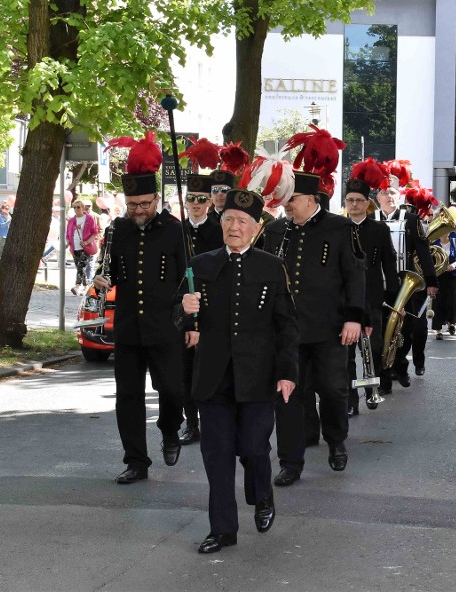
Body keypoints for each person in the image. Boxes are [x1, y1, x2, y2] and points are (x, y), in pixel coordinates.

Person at [179, 186, 299, 554]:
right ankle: (223, 529)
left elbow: (286, 325)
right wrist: (184, 310)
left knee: (253, 447)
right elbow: (179, 322)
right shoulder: (200, 265)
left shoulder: (270, 266)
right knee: (216, 457)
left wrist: (287, 372)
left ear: (255, 228)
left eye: (242, 221)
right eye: (228, 218)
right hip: (213, 378)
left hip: (258, 377)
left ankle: (262, 496)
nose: (233, 226)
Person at [260, 126, 365, 486]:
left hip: (330, 327)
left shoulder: (338, 228)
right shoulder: (277, 230)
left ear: (311, 199)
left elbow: (354, 275)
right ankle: (291, 460)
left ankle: (336, 440)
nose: (286, 204)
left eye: (292, 199)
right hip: (286, 330)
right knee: (289, 392)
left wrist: (354, 317)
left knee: (333, 389)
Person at [94, 131, 187, 484]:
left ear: (157, 199)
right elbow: (110, 273)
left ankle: (169, 429)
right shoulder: (117, 230)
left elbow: (185, 281)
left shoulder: (175, 231)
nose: (139, 211)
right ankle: (136, 461)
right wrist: (103, 282)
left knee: (173, 389)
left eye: (145, 204)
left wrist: (190, 319)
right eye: (133, 205)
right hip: (130, 327)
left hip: (166, 326)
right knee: (128, 397)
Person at [343, 159, 399, 413]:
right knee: (346, 353)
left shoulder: (378, 229)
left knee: (374, 347)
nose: (354, 205)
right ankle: (350, 400)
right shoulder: (337, 228)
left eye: (359, 200)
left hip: (373, 296)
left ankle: (371, 389)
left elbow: (389, 261)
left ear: (367, 204)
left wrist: (394, 294)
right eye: (350, 200)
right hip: (344, 299)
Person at [178, 174, 225, 446]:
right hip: (184, 307)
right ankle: (191, 423)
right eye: (191, 199)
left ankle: (212, 421)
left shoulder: (219, 229)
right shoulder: (177, 230)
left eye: (200, 199)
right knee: (186, 370)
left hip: (211, 307)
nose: (195, 204)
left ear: (209, 202)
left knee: (211, 367)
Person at [392, 184, 440, 379]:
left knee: (418, 328)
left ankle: (419, 361)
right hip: (396, 281)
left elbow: (425, 253)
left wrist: (431, 281)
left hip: (415, 284)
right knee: (398, 327)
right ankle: (395, 365)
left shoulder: (416, 223)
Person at [432, 230, 456, 340]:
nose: (444, 232)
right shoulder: (434, 244)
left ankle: (451, 324)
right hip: (438, 277)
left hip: (452, 276)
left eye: (446, 229)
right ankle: (438, 331)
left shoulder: (455, 242)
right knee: (438, 302)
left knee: (452, 300)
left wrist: (454, 264)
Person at [66, 199, 100, 295]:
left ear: (83, 208)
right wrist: (67, 243)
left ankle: (77, 286)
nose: (76, 209)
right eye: (74, 207)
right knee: (81, 268)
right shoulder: (72, 220)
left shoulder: (89, 218)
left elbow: (95, 232)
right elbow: (68, 234)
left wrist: (87, 242)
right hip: (74, 247)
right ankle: (86, 287)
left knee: (81, 266)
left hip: (85, 247)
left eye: (78, 207)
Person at [0, 200, 12, 265]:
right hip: (1, 235)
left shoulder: (8, 216)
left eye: (8, 209)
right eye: (6, 209)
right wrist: (9, 221)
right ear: (2, 209)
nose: (7, 210)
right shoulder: (0, 216)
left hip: (5, 235)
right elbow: (2, 226)